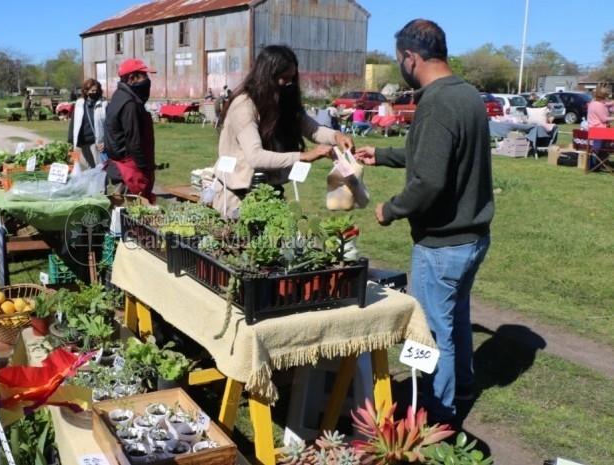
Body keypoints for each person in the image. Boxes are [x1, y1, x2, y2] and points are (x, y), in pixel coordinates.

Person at [354, 19, 494, 429]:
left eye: (400, 60)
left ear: (411, 58)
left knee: (435, 333)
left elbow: (429, 180)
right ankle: (462, 386)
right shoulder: (466, 94)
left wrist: (391, 209)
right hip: (472, 239)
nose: (401, 66)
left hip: (443, 244)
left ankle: (439, 415)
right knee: (456, 318)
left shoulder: (435, 103)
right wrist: (380, 155)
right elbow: (433, 156)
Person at [211, 45, 353, 217]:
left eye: (292, 78)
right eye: (284, 78)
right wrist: (304, 156)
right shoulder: (244, 105)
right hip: (236, 195)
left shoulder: (282, 101)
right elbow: (255, 156)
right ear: (267, 76)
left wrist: (336, 136)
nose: (289, 83)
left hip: (268, 190)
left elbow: (311, 128)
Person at [104, 58, 158, 203]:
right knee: (130, 218)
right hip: (129, 172)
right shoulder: (129, 103)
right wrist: (144, 169)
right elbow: (134, 141)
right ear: (132, 78)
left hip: (119, 167)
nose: (147, 80)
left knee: (119, 217)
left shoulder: (119, 95)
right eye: (144, 76)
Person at [67, 78, 108, 169]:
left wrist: (106, 142)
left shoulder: (104, 104)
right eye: (92, 90)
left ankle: (100, 183)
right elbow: (74, 122)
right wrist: (70, 141)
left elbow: (109, 125)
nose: (95, 92)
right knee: (87, 168)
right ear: (86, 91)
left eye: (97, 90)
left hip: (96, 143)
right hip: (82, 142)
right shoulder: (79, 104)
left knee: (100, 168)